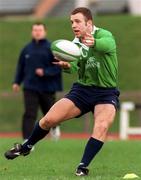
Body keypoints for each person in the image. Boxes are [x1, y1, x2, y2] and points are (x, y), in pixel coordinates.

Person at [4, 7, 120, 177]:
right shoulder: (75, 43)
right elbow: (74, 65)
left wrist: (94, 43)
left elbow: (107, 46)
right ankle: (26, 147)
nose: (74, 25)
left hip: (106, 93)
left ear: (89, 23)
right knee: (48, 119)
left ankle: (82, 166)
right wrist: (67, 65)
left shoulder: (104, 35)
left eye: (78, 21)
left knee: (101, 126)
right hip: (82, 90)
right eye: (72, 22)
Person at [12, 22, 62, 140]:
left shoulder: (52, 48)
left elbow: (58, 67)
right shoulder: (26, 49)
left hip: (47, 87)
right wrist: (16, 82)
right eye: (35, 30)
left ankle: (55, 127)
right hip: (30, 87)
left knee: (50, 114)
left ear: (45, 32)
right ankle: (27, 140)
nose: (37, 32)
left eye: (40, 30)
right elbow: (21, 66)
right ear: (32, 32)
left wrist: (45, 72)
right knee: (29, 114)